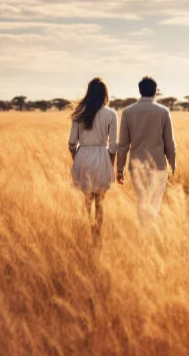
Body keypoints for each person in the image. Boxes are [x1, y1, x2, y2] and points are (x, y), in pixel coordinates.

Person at [116, 76, 176, 226]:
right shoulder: (163, 112)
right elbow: (170, 143)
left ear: (140, 91)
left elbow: (123, 144)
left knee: (142, 201)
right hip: (159, 166)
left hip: (137, 166)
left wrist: (119, 169)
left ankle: (144, 233)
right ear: (155, 91)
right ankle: (150, 236)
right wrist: (173, 164)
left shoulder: (127, 112)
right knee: (154, 204)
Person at [69, 78, 118, 239]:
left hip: (83, 157)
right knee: (100, 202)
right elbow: (113, 146)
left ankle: (85, 233)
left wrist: (77, 159)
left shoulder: (79, 114)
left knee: (87, 200)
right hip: (102, 158)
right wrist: (110, 164)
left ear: (88, 93)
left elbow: (71, 143)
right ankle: (96, 237)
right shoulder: (111, 114)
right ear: (105, 94)